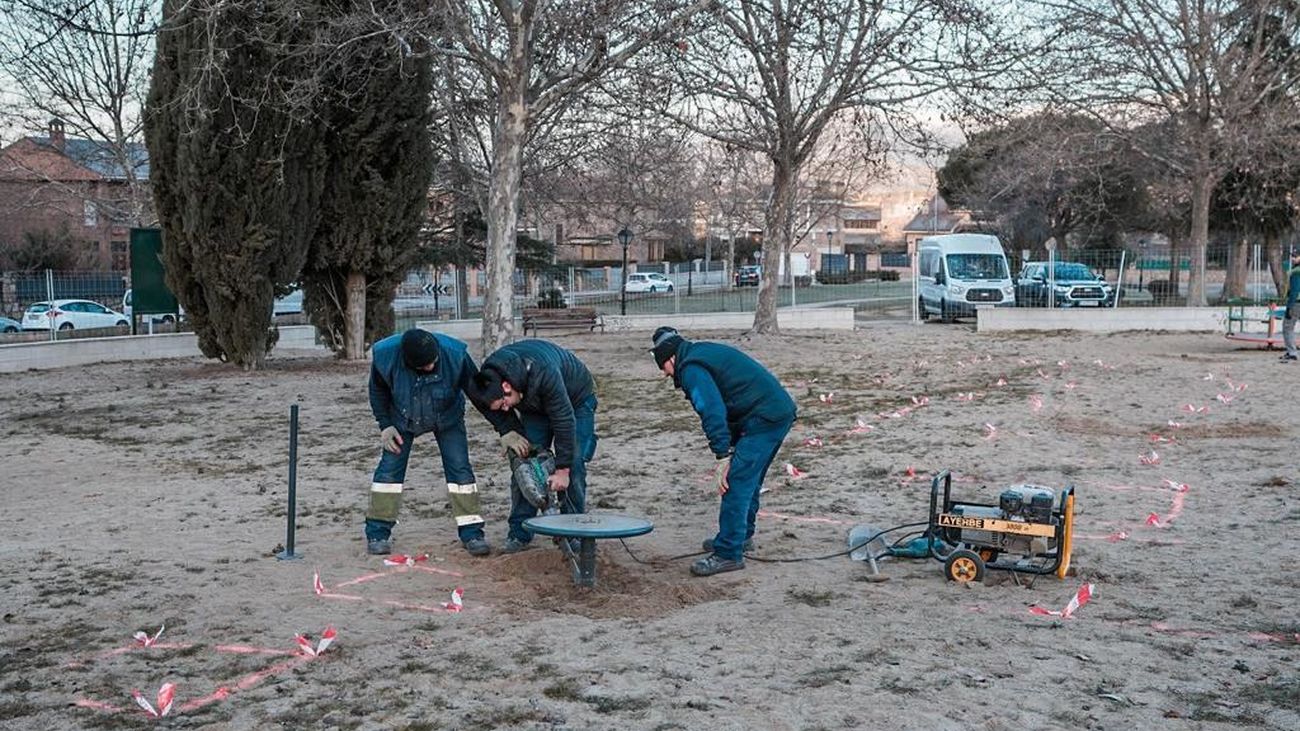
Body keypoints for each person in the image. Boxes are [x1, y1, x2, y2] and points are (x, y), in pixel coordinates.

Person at [650, 327, 797, 576]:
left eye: (663, 367)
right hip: (772, 413)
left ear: (670, 358)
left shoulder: (691, 368)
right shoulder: (700, 353)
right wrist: (729, 446)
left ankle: (728, 553)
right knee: (748, 479)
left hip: (764, 418)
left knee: (735, 482)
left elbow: (711, 409)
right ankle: (740, 537)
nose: (665, 374)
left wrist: (722, 455)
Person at [365, 328, 508, 557]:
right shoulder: (385, 357)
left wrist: (505, 429)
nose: (431, 366)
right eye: (425, 366)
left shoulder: (455, 355)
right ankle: (377, 533)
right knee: (389, 473)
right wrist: (385, 425)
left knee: (460, 470)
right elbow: (377, 391)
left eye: (434, 361)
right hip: (402, 419)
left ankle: (472, 533)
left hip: (448, 418)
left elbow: (479, 394)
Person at [469, 340, 598, 553]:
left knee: (574, 464)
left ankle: (572, 531)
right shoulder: (489, 377)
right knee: (524, 465)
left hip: (576, 400)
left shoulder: (544, 373)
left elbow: (564, 419)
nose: (506, 409)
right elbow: (494, 408)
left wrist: (562, 470)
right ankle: (520, 532)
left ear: (507, 386)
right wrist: (508, 430)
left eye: (504, 404)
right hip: (534, 405)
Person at [1281, 248, 1300, 363]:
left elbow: (1295, 291)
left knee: (1287, 327)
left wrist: (1289, 306)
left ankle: (1292, 352)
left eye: (1296, 256)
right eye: (1292, 256)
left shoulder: (1296, 272)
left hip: (1296, 303)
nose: (1293, 258)